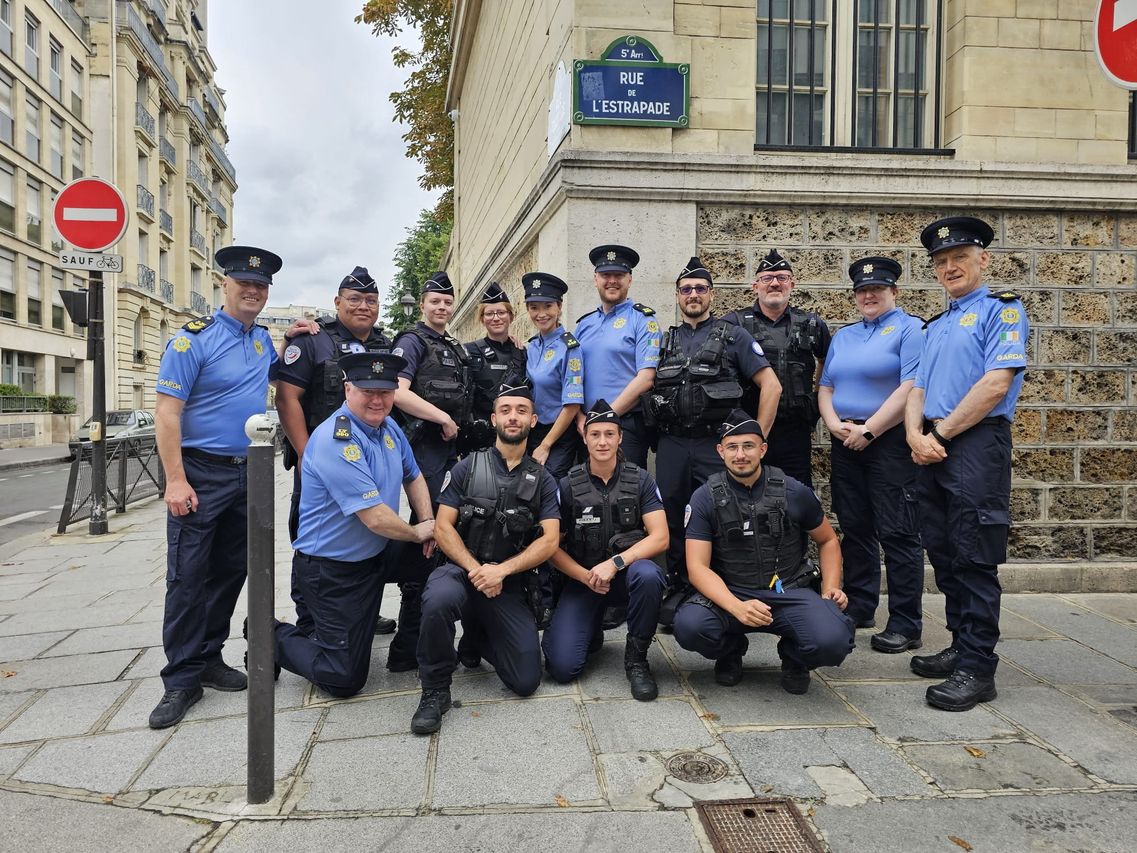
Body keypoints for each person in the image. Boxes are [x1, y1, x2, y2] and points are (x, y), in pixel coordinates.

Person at [149, 245, 281, 728]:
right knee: (187, 576)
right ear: (224, 284)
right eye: (244, 283)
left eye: (261, 286)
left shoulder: (263, 341)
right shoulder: (191, 341)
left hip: (246, 471)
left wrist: (305, 334)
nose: (253, 290)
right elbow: (167, 414)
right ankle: (180, 679)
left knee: (229, 570)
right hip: (199, 472)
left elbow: (272, 376)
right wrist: (176, 480)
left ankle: (207, 658)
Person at [905, 216, 1029, 712]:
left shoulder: (1004, 310)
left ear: (984, 259)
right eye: (941, 262)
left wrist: (938, 434)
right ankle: (960, 644)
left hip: (976, 443)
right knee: (944, 549)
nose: (950, 267)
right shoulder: (936, 325)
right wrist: (915, 434)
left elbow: (996, 383)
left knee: (975, 553)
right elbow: (917, 387)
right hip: (931, 444)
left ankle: (978, 667)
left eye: (959, 257)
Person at [275, 352, 436, 696]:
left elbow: (414, 475)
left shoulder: (387, 426)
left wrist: (428, 521)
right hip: (333, 571)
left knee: (437, 557)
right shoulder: (337, 439)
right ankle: (268, 634)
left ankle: (409, 645)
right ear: (348, 389)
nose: (378, 400)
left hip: (375, 554)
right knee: (343, 677)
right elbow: (376, 518)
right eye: (368, 391)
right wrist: (415, 532)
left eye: (385, 391)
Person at [411, 383, 561, 734]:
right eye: (506, 410)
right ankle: (434, 690)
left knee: (526, 681)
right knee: (437, 599)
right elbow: (444, 527)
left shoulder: (544, 480)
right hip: (462, 571)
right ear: (493, 418)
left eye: (521, 410)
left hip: (507, 583)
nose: (513, 416)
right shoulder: (466, 468)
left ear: (533, 420)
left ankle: (476, 637)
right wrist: (477, 570)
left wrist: (502, 571)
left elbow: (550, 540)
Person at [672, 410, 853, 694]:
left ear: (763, 449)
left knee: (834, 640)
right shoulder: (705, 497)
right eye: (732, 447)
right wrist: (736, 607)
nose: (740, 454)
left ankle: (795, 656)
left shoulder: (794, 491)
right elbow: (697, 568)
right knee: (690, 626)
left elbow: (828, 541)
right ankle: (730, 650)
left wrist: (830, 588)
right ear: (720, 451)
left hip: (789, 591)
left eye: (748, 446)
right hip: (731, 592)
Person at [271, 265, 397, 635]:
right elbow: (287, 399)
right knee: (313, 538)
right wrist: (309, 455)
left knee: (364, 533)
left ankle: (362, 611)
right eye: (355, 299)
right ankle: (310, 620)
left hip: (367, 459)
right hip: (321, 458)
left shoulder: (382, 346)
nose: (363, 306)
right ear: (338, 302)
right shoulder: (312, 340)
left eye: (371, 300)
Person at [648, 256, 781, 597]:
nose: (693, 294)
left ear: (711, 295)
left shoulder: (733, 336)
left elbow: (772, 386)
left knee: (723, 513)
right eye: (686, 289)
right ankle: (679, 586)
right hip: (673, 444)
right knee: (674, 516)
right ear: (678, 296)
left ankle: (724, 588)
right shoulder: (664, 341)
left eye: (701, 289)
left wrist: (756, 438)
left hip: (715, 446)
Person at [818, 257, 926, 646]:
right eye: (862, 291)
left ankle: (905, 623)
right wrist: (832, 423)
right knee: (856, 526)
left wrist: (870, 430)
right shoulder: (844, 336)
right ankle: (861, 605)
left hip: (889, 441)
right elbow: (826, 386)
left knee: (898, 531)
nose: (869, 295)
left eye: (877, 289)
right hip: (845, 439)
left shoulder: (911, 329)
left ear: (893, 291)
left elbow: (911, 386)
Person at [542, 400, 668, 700]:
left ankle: (636, 659)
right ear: (584, 437)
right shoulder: (566, 485)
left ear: (620, 437)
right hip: (583, 581)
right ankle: (590, 631)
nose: (602, 441)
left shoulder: (640, 479)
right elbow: (550, 547)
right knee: (561, 668)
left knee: (649, 575)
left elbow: (661, 537)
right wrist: (584, 576)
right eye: (595, 434)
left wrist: (616, 563)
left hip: (627, 578)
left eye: (609, 434)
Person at [387, 272, 473, 672]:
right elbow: (397, 391)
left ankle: (424, 641)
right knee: (426, 542)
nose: (441, 308)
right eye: (434, 301)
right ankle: (409, 647)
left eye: (446, 302)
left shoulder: (450, 345)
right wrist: (442, 417)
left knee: (441, 540)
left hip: (447, 454)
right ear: (422, 305)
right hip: (424, 453)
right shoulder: (412, 341)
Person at [722, 249, 831, 487]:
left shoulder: (812, 323)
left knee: (796, 494)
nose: (774, 283)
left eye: (781, 277)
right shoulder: (734, 323)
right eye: (767, 278)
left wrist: (816, 399)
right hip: (748, 429)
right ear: (755, 286)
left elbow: (827, 363)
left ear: (792, 284)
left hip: (795, 431)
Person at [573, 244, 660, 468]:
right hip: (585, 427)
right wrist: (580, 418)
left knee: (627, 496)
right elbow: (571, 377)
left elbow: (646, 378)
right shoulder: (583, 325)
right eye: (605, 275)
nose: (612, 280)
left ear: (629, 279)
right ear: (595, 279)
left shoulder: (643, 320)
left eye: (619, 275)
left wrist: (604, 418)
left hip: (626, 426)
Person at [524, 272, 584, 479]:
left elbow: (573, 404)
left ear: (559, 307)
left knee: (549, 490)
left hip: (558, 435)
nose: (541, 314)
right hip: (533, 431)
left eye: (547, 306)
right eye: (534, 307)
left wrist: (546, 445)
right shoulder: (531, 346)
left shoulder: (570, 348)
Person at [460, 282, 528, 456]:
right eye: (489, 313)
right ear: (482, 319)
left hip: (513, 438)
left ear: (511, 317)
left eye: (501, 312)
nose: (496, 318)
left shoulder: (521, 352)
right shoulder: (468, 351)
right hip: (478, 440)